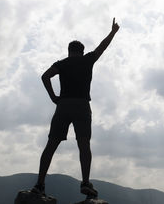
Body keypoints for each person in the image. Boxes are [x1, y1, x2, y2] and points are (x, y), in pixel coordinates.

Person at [31, 18, 120, 197]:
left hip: (63, 105)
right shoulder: (88, 60)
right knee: (84, 144)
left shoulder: (61, 63)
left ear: (69, 51)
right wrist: (113, 32)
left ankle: (40, 184)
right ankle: (85, 183)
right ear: (82, 51)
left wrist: (53, 97)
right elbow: (103, 46)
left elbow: (45, 76)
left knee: (51, 144)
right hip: (81, 105)